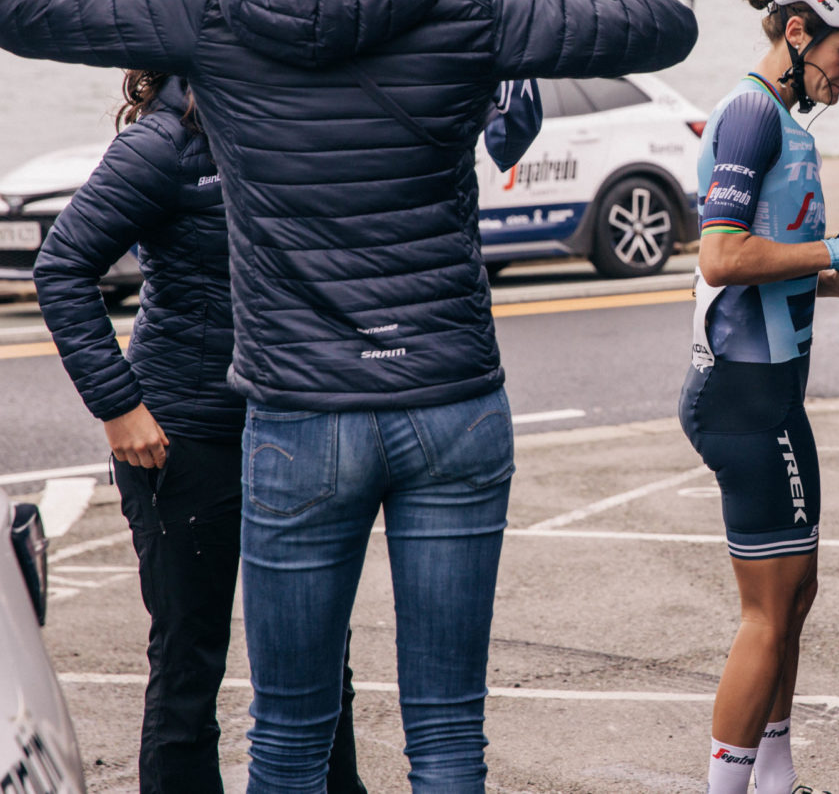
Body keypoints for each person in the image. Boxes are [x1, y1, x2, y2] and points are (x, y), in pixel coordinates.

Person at [0, 0, 696, 793]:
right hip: (450, 399)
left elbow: (20, 4)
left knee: (287, 736)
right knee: (448, 737)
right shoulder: (467, 0)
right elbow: (661, 20)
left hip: (299, 411)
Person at [31, 68, 539, 794]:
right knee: (188, 660)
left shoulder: (289, 124)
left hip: (301, 425)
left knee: (322, 659)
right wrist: (119, 407)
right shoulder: (162, 147)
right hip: (188, 437)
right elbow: (62, 266)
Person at [679, 0, 839, 794]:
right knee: (767, 616)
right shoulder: (750, 114)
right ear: (800, 31)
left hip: (774, 391)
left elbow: (769, 263)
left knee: (797, 595)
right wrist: (832, 248)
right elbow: (722, 257)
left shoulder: (785, 123)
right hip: (742, 395)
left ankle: (775, 781)